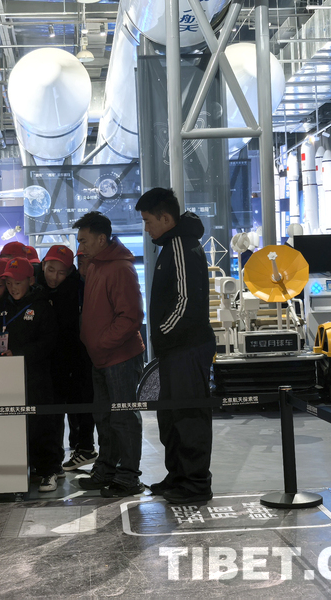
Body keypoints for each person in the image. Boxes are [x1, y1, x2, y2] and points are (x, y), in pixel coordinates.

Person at [136, 188, 216, 504]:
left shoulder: (181, 245)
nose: (146, 228)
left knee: (189, 416)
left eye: (148, 220)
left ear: (166, 218)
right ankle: (179, 476)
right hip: (175, 349)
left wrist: (162, 333)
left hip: (187, 348)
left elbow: (186, 300)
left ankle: (196, 484)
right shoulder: (171, 245)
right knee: (171, 416)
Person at [73, 211, 146, 498]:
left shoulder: (120, 268)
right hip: (101, 357)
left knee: (123, 418)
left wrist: (102, 343)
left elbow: (131, 317)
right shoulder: (95, 266)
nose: (80, 247)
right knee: (104, 417)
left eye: (84, 240)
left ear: (102, 239)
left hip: (120, 357)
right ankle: (106, 469)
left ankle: (128, 476)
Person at [0, 257, 63, 493]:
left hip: (36, 375)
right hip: (8, 376)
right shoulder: (3, 306)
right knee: (15, 423)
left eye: (18, 283)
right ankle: (24, 469)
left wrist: (20, 354)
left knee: (41, 422)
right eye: (8, 283)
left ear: (31, 280)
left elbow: (49, 342)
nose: (13, 288)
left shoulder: (42, 306)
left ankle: (49, 470)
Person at [38, 245, 98, 472]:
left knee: (79, 403)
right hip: (46, 360)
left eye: (61, 272)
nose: (54, 277)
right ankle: (51, 460)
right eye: (51, 270)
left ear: (70, 271)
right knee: (51, 412)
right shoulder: (36, 288)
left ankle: (84, 447)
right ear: (43, 265)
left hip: (75, 356)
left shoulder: (76, 288)